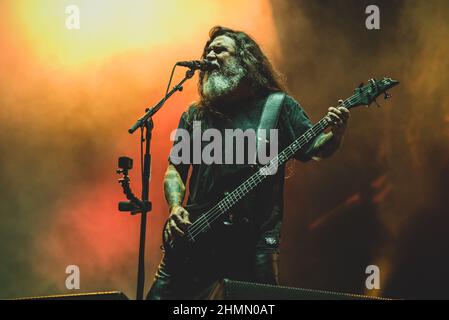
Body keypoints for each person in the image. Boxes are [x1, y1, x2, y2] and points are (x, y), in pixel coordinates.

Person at [147, 26, 350, 300]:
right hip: (195, 234)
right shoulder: (196, 114)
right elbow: (175, 169)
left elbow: (313, 149)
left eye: (220, 49)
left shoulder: (277, 106)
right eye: (208, 50)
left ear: (245, 59)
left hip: (254, 239)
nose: (210, 54)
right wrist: (174, 208)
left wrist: (335, 135)